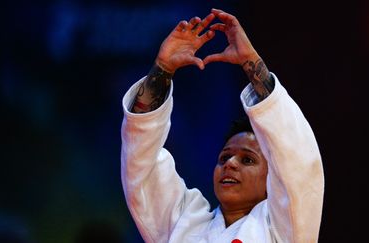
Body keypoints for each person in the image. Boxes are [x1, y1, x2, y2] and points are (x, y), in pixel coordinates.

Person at [120, 8, 324, 243]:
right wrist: (163, 69)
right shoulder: (183, 224)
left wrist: (251, 61)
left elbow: (299, 163)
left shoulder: (284, 228)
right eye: (224, 157)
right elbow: (140, 165)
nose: (230, 164)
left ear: (272, 180)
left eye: (247, 159)